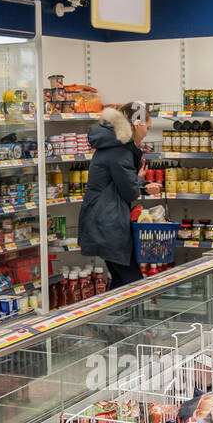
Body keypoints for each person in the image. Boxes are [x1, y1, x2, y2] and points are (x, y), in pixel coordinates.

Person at [77, 102, 162, 286]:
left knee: (120, 282)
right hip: (109, 224)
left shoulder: (113, 144)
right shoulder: (120, 150)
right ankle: (126, 315)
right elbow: (129, 191)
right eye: (147, 127)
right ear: (137, 124)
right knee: (133, 285)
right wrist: (139, 181)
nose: (147, 131)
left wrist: (140, 182)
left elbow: (120, 182)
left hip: (103, 220)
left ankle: (114, 315)